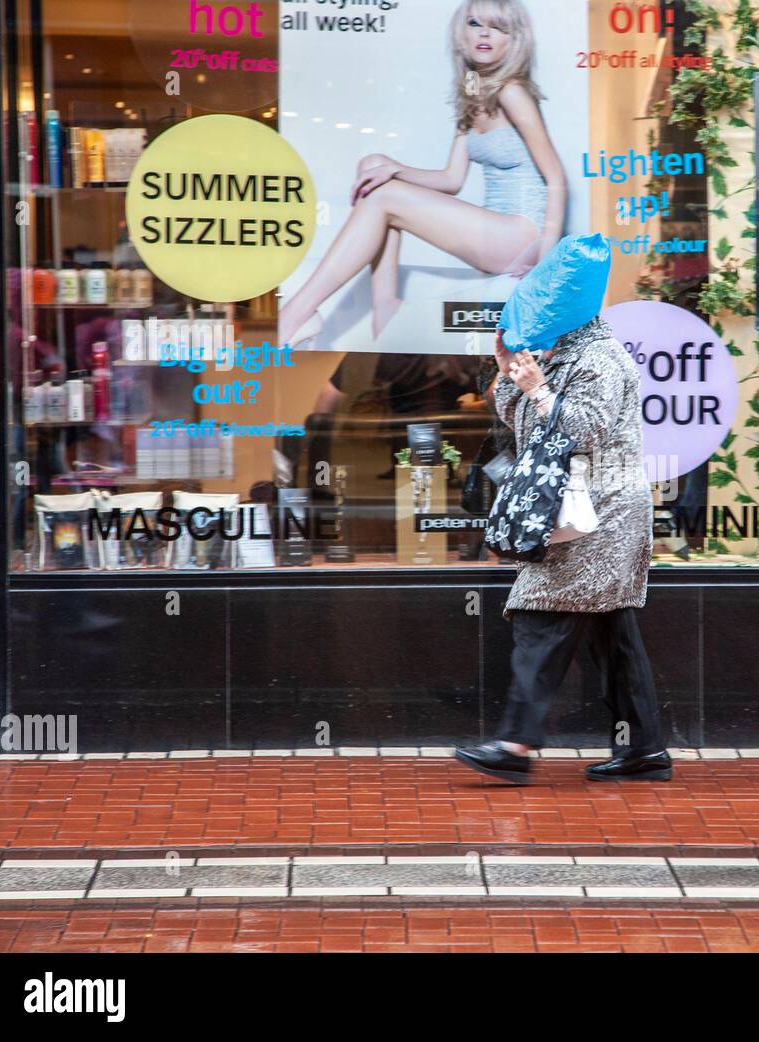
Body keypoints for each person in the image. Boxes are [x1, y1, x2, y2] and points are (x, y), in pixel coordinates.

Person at [278, 0, 568, 348]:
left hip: (521, 234)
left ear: (514, 39)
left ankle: (298, 312)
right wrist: (394, 167)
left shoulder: (512, 93)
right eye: (476, 23)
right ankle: (385, 305)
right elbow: (451, 179)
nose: (486, 33)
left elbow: (556, 178)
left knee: (384, 196)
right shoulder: (474, 92)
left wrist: (543, 263)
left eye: (499, 27)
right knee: (373, 167)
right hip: (494, 229)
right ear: (461, 32)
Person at [454, 320, 670, 785]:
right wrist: (510, 372)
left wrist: (539, 386)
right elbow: (529, 423)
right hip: (580, 510)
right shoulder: (563, 354)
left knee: (541, 614)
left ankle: (516, 744)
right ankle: (643, 749)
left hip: (602, 514)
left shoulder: (601, 358)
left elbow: (583, 431)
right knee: (612, 632)